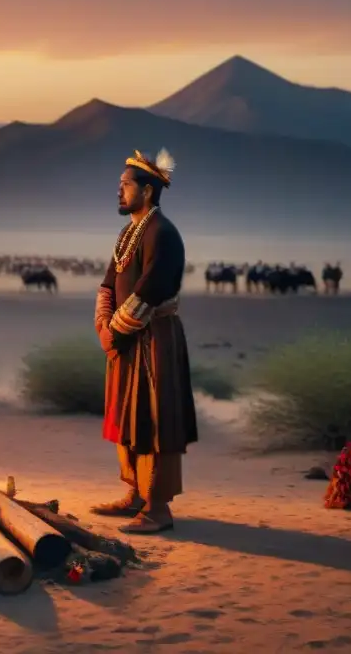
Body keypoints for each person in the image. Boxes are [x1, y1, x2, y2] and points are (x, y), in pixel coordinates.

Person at [91, 149, 197, 534]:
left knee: (155, 419)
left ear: (147, 192)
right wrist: (104, 325)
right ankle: (135, 494)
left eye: (126, 185)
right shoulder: (128, 232)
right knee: (126, 415)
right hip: (125, 339)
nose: (119, 191)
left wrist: (114, 333)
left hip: (154, 339)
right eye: (119, 185)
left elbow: (150, 291)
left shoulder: (163, 234)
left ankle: (158, 508)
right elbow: (108, 283)